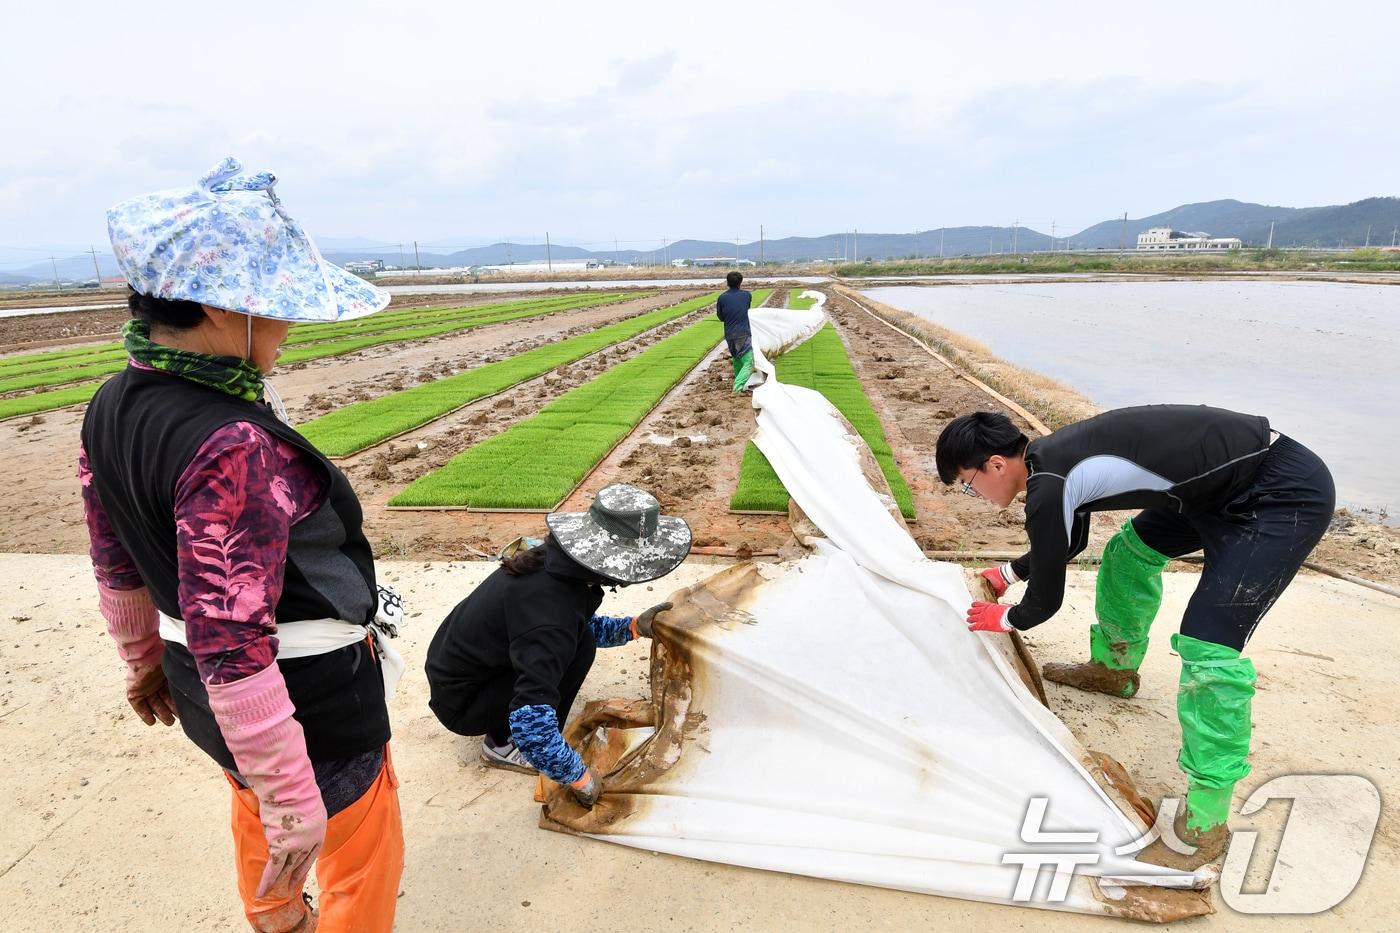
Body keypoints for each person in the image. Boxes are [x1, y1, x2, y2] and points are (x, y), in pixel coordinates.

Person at [81, 158, 404, 932]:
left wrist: (143, 661)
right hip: (304, 705)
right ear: (222, 306)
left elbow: (114, 559)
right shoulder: (232, 443)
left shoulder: (112, 402)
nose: (287, 328)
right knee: (358, 857)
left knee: (254, 806)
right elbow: (231, 637)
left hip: (207, 695)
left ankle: (276, 914)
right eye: (277, 306)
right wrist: (293, 795)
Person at [935, 405, 1334, 866]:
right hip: (1210, 490)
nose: (975, 495)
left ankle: (1206, 824)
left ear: (995, 465)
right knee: (1129, 552)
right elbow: (1070, 541)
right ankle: (1114, 670)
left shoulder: (1050, 483)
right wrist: (1008, 574)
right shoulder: (1051, 461)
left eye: (968, 484)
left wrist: (1005, 618)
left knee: (1209, 646)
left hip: (1280, 492)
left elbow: (1044, 603)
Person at [425, 484, 689, 807]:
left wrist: (633, 627)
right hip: (462, 701)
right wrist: (580, 778)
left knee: (582, 643)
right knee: (556, 684)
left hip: (468, 671)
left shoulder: (558, 566)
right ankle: (502, 745)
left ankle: (507, 733)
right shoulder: (550, 615)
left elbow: (577, 627)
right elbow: (532, 727)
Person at [715, 270, 757, 393]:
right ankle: (737, 387)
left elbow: (721, 317)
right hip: (743, 333)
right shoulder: (747, 295)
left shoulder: (722, 297)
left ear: (727, 283)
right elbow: (746, 309)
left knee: (737, 359)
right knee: (749, 362)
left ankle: (739, 387)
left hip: (729, 334)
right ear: (740, 283)